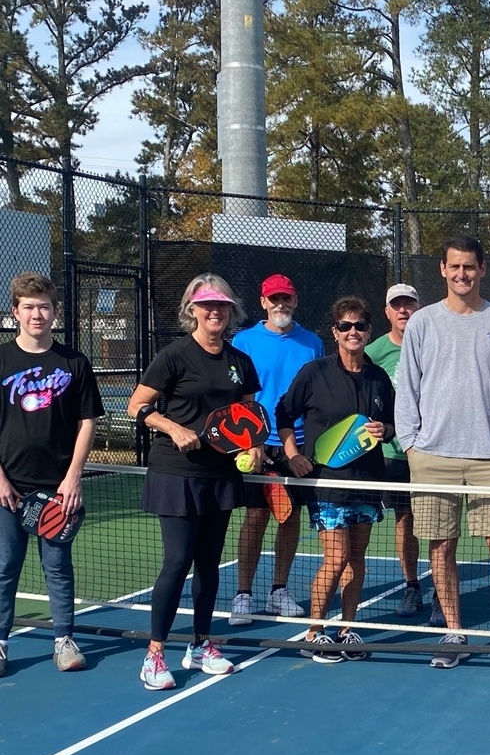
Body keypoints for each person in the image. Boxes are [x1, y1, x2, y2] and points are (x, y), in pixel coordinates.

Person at [395, 235, 490, 669]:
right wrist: (411, 443)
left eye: (469, 267)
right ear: (442, 269)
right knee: (441, 544)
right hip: (431, 454)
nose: (461, 274)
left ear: (482, 269)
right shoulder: (421, 323)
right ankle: (454, 632)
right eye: (454, 266)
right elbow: (408, 387)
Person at [127, 274, 261, 690]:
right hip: (176, 473)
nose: (214, 312)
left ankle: (202, 644)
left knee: (209, 562)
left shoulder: (240, 361)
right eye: (206, 306)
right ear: (193, 310)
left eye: (221, 305)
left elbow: (249, 411)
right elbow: (138, 405)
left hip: (220, 474)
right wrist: (172, 427)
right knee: (177, 560)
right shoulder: (174, 356)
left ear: (231, 311)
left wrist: (253, 446)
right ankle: (155, 654)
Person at [277, 297, 395, 663]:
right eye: (345, 326)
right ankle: (316, 632)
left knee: (357, 558)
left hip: (368, 480)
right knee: (337, 557)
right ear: (335, 332)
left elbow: (393, 425)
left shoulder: (378, 377)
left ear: (368, 331)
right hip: (326, 481)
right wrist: (293, 455)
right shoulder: (315, 373)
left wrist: (385, 428)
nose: (353, 332)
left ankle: (347, 628)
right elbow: (283, 412)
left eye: (359, 325)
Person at [0, 272, 103, 676]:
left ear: (55, 312)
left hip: (59, 488)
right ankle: (2, 643)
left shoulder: (74, 362)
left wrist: (74, 476)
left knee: (57, 566)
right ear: (15, 313)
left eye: (44, 306)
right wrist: (1, 480)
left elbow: (87, 421)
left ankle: (64, 641)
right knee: (5, 567)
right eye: (28, 307)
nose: (37, 314)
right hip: (9, 489)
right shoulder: (1, 359)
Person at [228, 274, 323, 626]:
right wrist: (249, 441)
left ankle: (278, 591)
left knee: (290, 516)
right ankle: (243, 594)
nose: (280, 304)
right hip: (256, 444)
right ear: (263, 302)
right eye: (274, 299)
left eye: (286, 298)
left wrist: (305, 445)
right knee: (255, 517)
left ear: (295, 300)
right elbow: (240, 397)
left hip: (297, 447)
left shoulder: (312, 343)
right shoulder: (244, 341)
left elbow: (315, 393)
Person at [364, 283, 436, 622]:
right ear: (388, 312)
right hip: (392, 453)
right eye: (397, 306)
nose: (404, 311)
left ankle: (442, 591)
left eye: (410, 305)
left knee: (437, 523)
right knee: (404, 519)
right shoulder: (374, 351)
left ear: (419, 308)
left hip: (434, 451)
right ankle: (412, 585)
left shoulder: (434, 343)